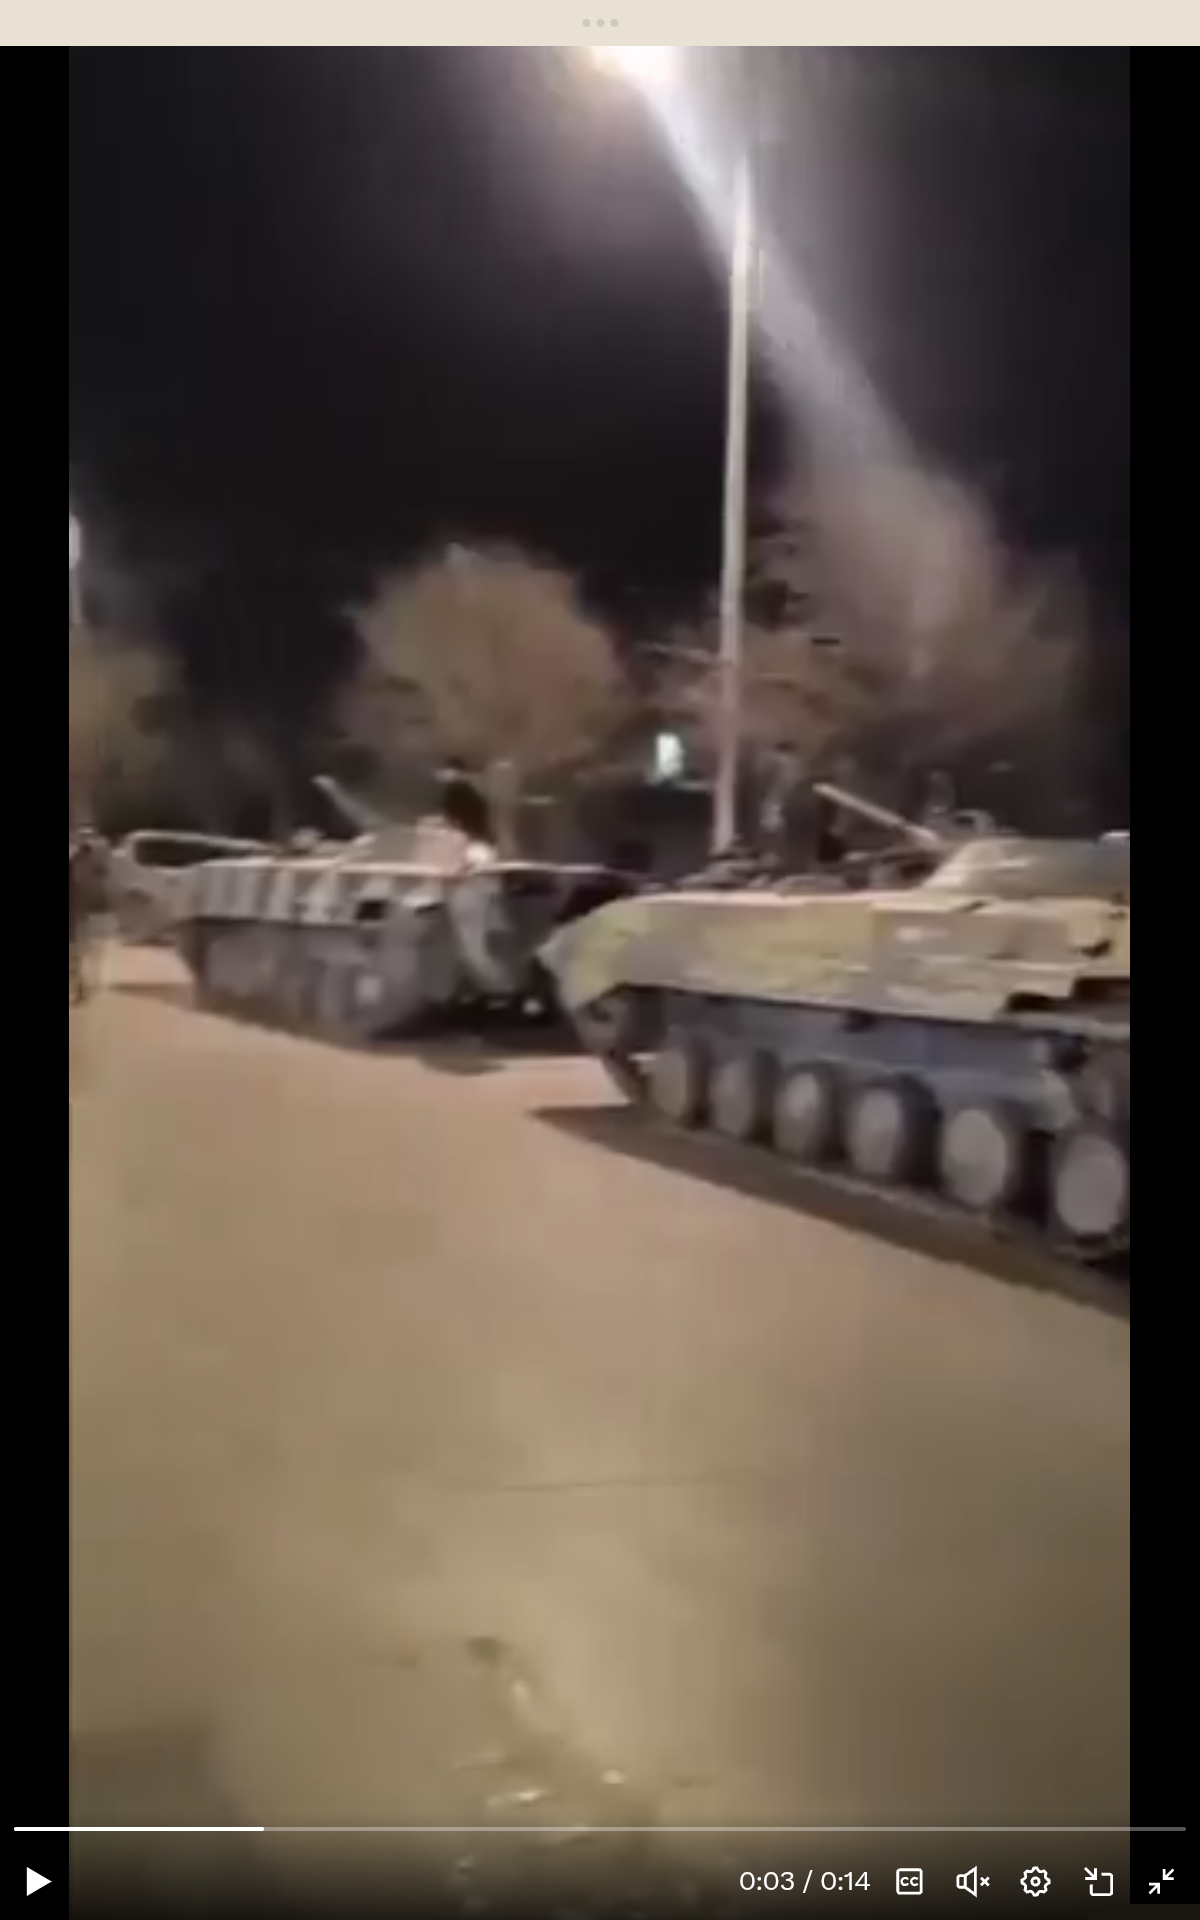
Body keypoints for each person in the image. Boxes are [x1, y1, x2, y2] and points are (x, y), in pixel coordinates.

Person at [69, 827, 111, 1004]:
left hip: (74, 910)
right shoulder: (80, 858)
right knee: (75, 950)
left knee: (74, 950)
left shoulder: (84, 859)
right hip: (76, 909)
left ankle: (77, 988)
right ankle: (78, 988)